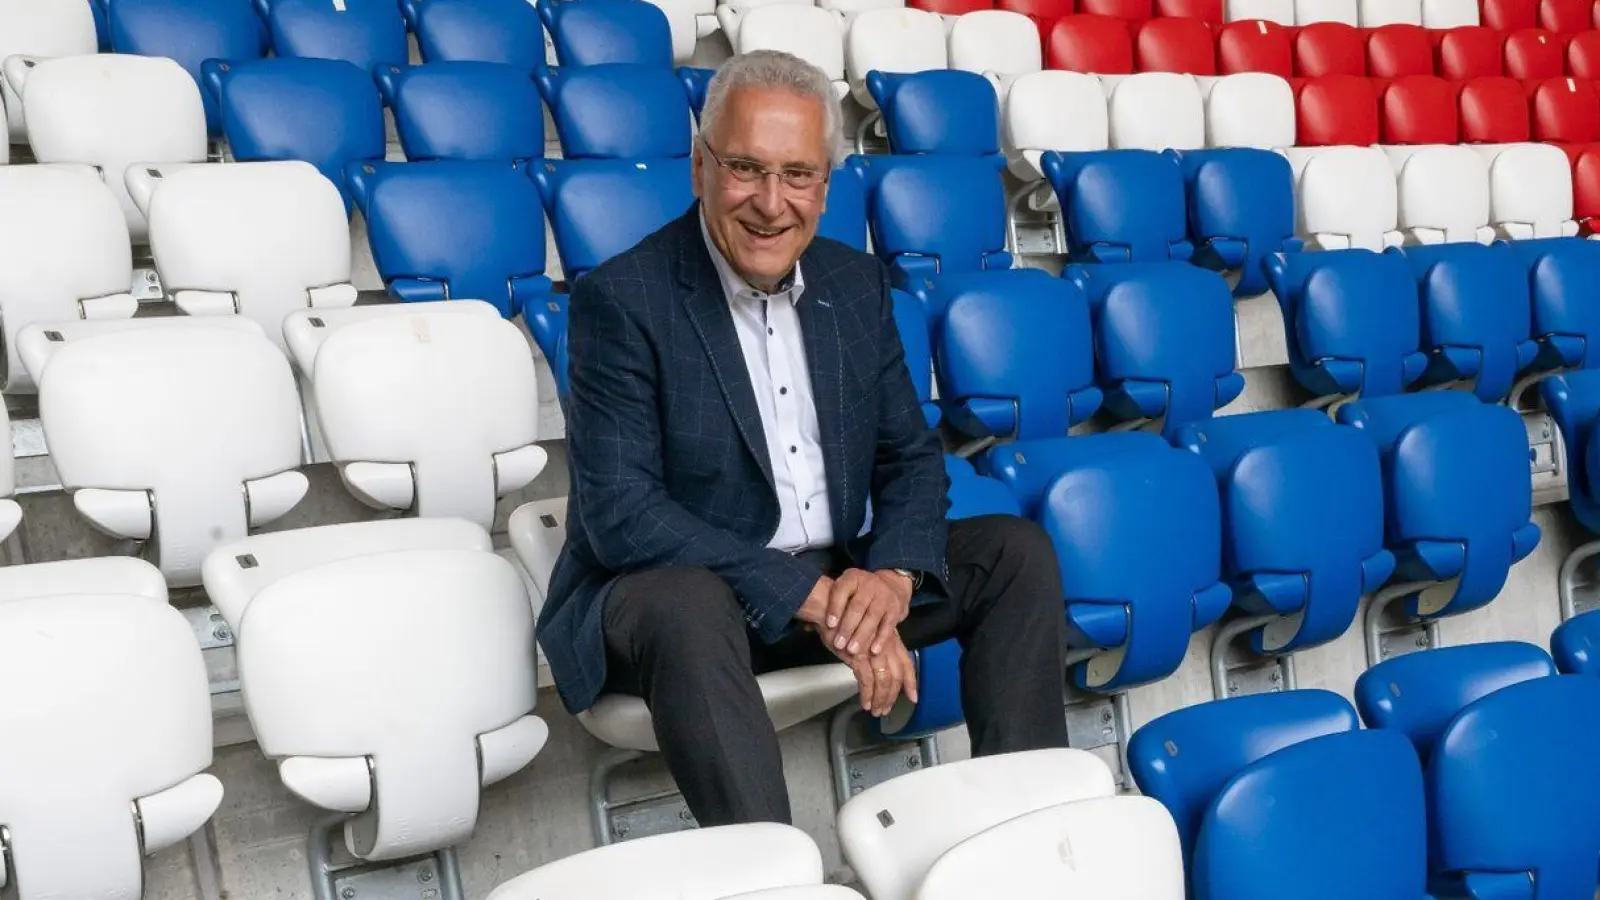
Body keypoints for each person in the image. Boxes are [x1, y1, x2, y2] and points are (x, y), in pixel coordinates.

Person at [539, 49, 1069, 827]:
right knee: (684, 603)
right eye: (746, 169)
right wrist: (808, 596)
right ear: (699, 168)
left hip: (829, 582)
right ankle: (770, 872)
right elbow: (623, 513)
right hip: (685, 604)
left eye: (797, 174)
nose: (770, 202)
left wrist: (889, 578)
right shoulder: (622, 299)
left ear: (826, 185)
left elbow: (910, 461)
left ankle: (1026, 836)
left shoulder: (855, 286)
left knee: (1014, 554)